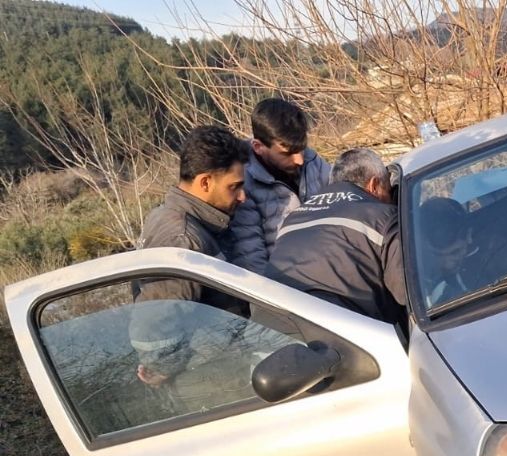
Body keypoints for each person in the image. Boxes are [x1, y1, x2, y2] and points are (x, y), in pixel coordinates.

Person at [131, 125, 248, 388]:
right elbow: (153, 330)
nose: (243, 196)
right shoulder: (182, 240)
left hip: (215, 372)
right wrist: (164, 367)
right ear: (205, 182)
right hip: (209, 383)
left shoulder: (180, 221)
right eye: (234, 187)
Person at [265, 148, 407, 325]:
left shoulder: (293, 219)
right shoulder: (382, 218)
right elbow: (409, 294)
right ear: (374, 185)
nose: (389, 200)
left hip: (275, 330)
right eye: (388, 191)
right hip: (350, 337)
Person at [228, 98, 332, 273]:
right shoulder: (243, 185)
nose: (299, 160)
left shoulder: (313, 162)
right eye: (288, 153)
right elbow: (251, 258)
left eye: (302, 149)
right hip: (286, 289)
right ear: (258, 146)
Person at [417, 197, 475, 308]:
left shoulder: (481, 256)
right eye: (453, 253)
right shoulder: (427, 291)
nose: (462, 255)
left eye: (462, 249)